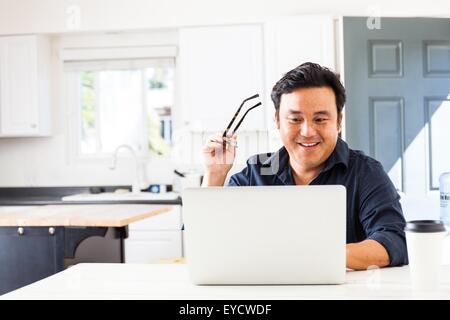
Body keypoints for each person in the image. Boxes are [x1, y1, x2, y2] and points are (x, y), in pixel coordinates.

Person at [201, 62, 408, 270]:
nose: (308, 131)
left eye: (320, 119)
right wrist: (214, 175)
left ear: (338, 122)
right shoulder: (254, 173)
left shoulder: (366, 173)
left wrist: (314, 254)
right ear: (277, 121)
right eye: (295, 119)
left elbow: (394, 242)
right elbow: (208, 241)